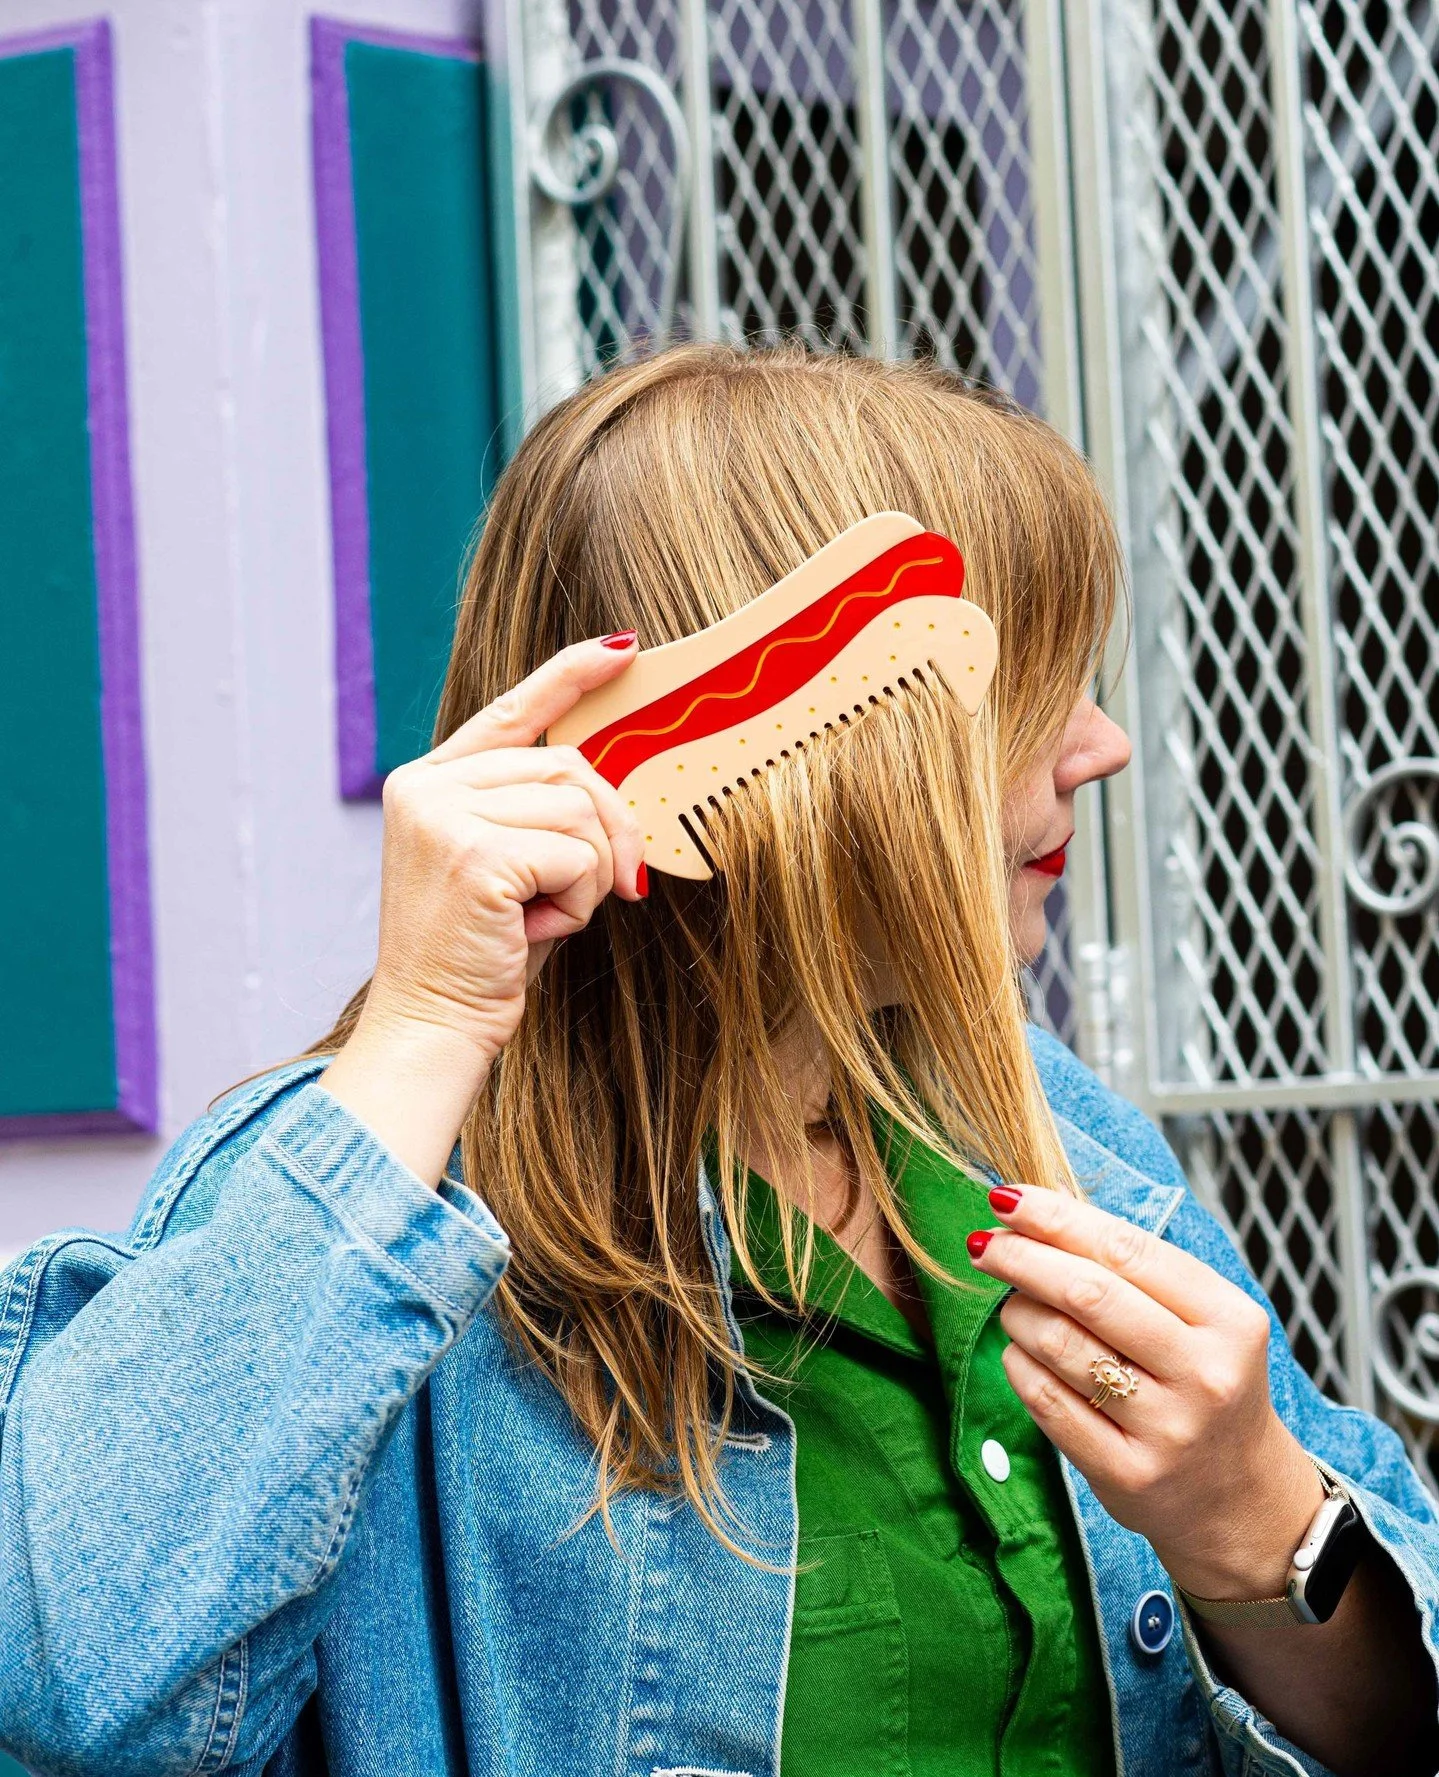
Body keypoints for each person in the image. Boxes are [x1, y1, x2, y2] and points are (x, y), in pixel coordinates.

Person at [1, 345, 1436, 1777]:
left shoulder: (1059, 1136)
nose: (1102, 747)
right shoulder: (359, 1204)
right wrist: (427, 1023)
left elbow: (1383, 1729)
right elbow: (75, 1699)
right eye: (1034, 683)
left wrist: (1260, 1526)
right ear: (800, 737)